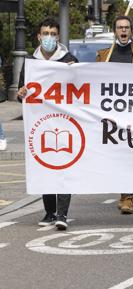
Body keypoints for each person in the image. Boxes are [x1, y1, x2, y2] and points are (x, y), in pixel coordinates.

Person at [17, 18, 78, 230]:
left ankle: (62, 213)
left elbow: (80, 89)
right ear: (38, 36)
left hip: (64, 124)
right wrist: (21, 93)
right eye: (45, 33)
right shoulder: (31, 62)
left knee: (63, 167)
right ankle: (49, 212)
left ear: (58, 37)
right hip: (40, 124)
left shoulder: (69, 59)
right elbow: (21, 91)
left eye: (53, 33)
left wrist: (74, 72)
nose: (49, 37)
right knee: (44, 167)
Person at [96, 15, 133, 214]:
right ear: (115, 31)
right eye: (120, 27)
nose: (123, 31)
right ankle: (124, 194)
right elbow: (92, 81)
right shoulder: (103, 56)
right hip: (111, 116)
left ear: (131, 31)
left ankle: (129, 197)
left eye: (126, 28)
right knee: (118, 157)